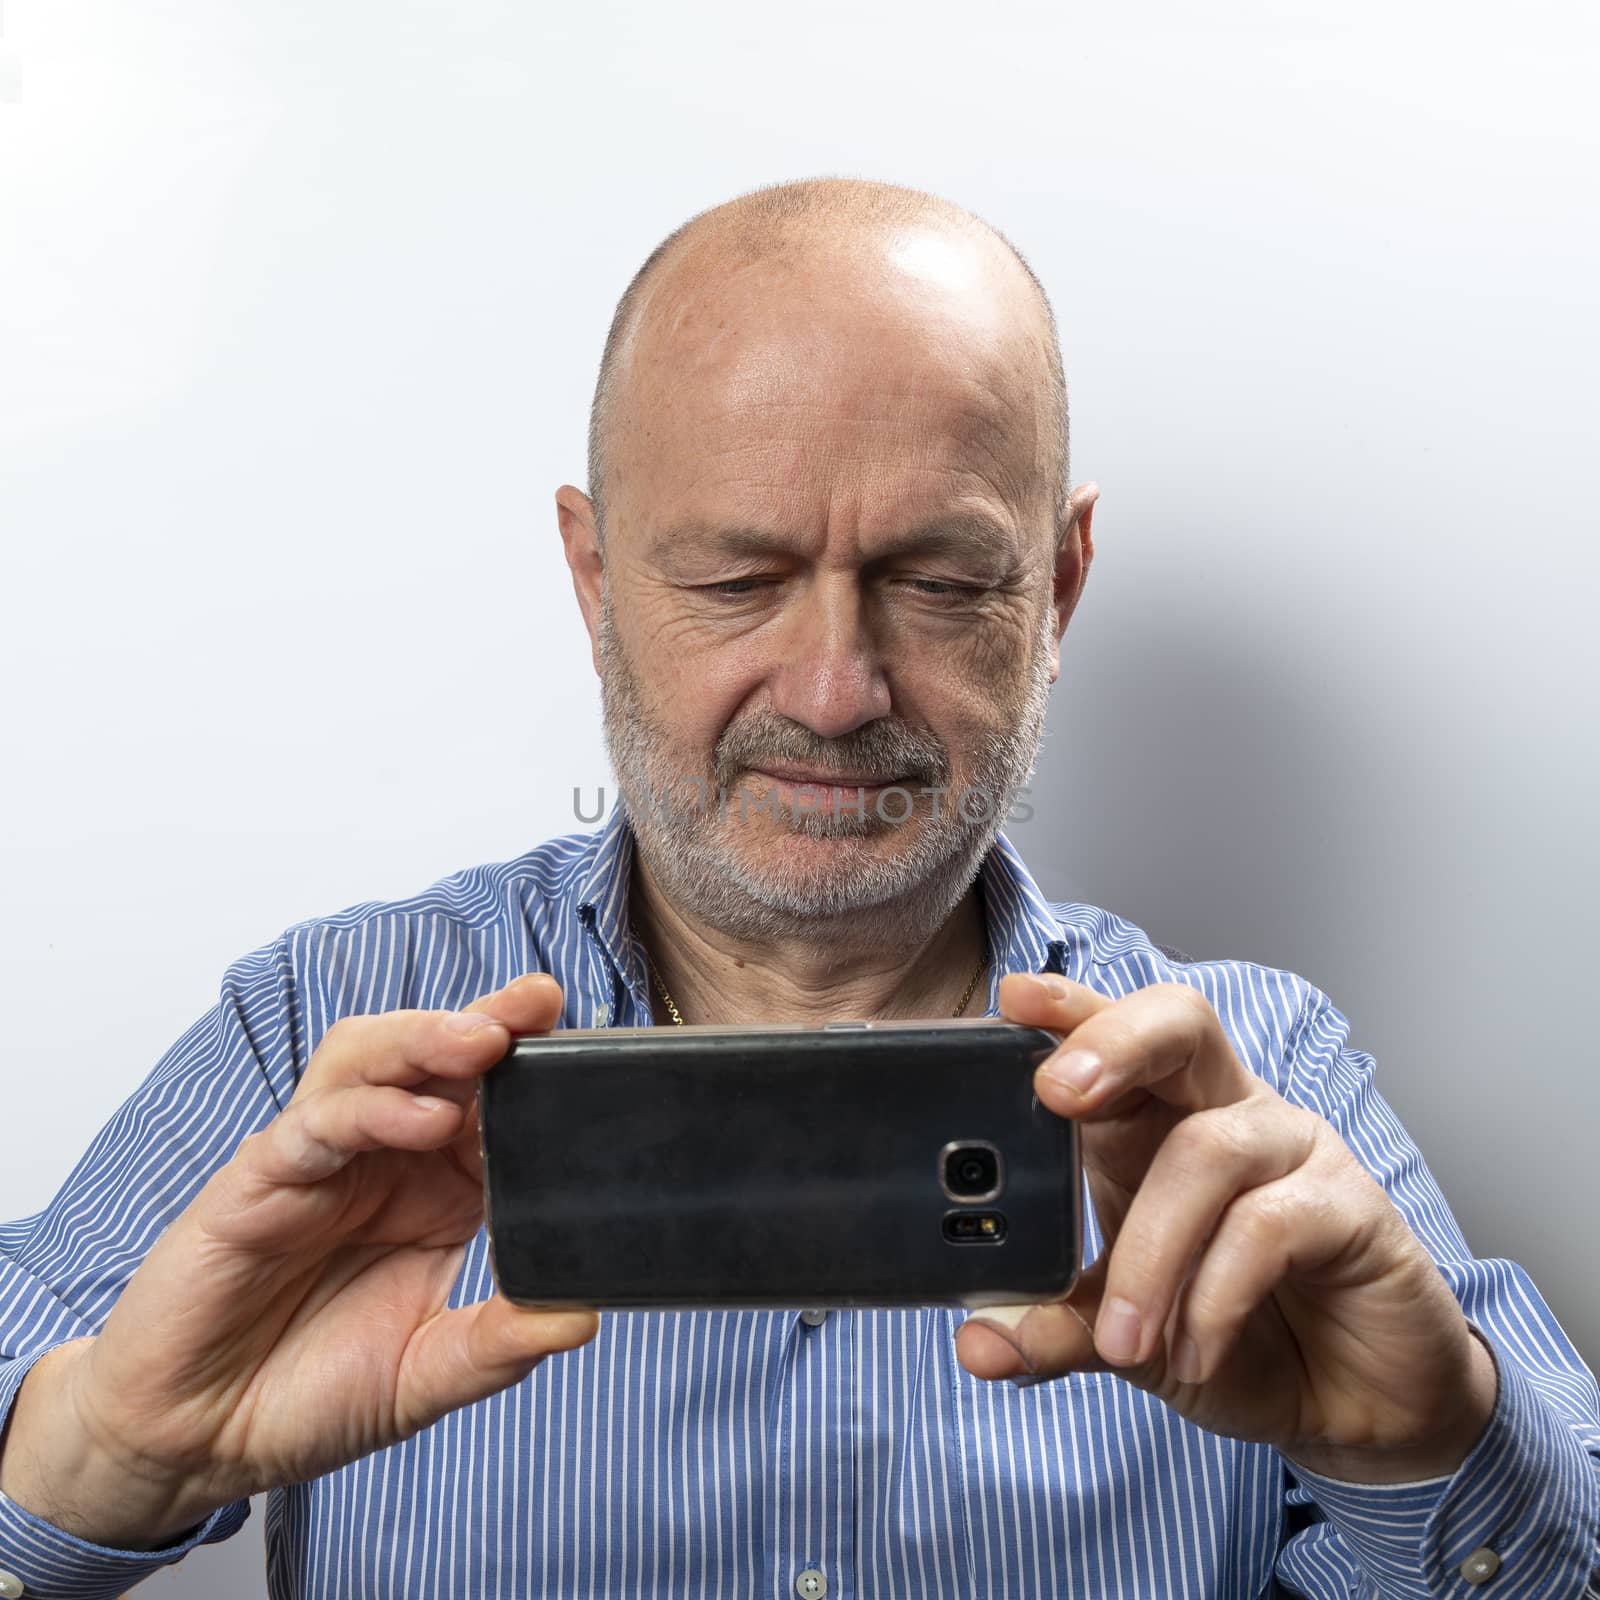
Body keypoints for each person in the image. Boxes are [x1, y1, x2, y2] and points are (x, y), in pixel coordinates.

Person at [0, 176, 1595, 1600]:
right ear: (595, 578)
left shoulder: (1258, 1081)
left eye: (942, 581)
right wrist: (90, 1458)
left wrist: (1429, 1449)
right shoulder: (327, 1033)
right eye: (739, 579)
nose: (835, 690)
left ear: (1059, 586)